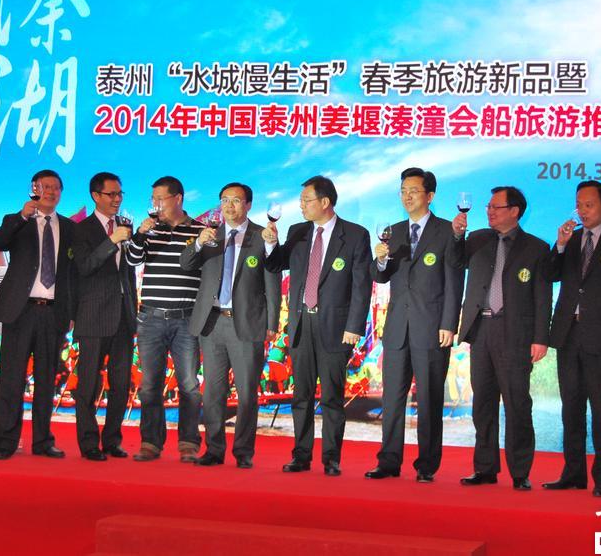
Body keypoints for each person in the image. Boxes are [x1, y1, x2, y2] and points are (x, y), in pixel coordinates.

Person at [263, 175, 371, 476]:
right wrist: (270, 244)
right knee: (302, 395)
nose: (301, 205)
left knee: (332, 397)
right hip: (301, 324)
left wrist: (354, 326)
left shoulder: (355, 235)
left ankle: (331, 459)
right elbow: (276, 264)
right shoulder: (298, 232)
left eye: (306, 200)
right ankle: (301, 455)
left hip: (336, 327)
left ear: (325, 202)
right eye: (301, 201)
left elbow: (362, 286)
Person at [540, 181, 601, 497]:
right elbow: (550, 275)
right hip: (568, 333)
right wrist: (559, 245)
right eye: (579, 205)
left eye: (589, 205)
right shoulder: (570, 239)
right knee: (571, 408)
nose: (583, 211)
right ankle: (573, 473)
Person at [365, 168, 463, 483]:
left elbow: (454, 281)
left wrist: (449, 323)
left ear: (430, 196)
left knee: (430, 399)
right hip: (397, 329)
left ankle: (426, 466)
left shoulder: (446, 231)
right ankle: (388, 462)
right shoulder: (392, 232)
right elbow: (379, 276)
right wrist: (380, 260)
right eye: (403, 191)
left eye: (414, 191)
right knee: (392, 399)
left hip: (432, 328)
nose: (407, 196)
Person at [452, 186, 551, 491]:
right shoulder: (477, 239)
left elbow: (542, 297)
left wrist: (540, 338)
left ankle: (520, 471)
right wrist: (457, 236)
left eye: (496, 207)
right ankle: (485, 468)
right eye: (488, 206)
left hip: (515, 333)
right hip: (481, 328)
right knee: (482, 403)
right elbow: (454, 261)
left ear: (514, 211)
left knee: (517, 403)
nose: (489, 211)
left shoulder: (536, 248)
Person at [179, 182, 281, 468]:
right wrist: (198, 243)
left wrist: (272, 322)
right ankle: (214, 449)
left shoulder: (262, 236)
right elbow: (186, 264)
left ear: (248, 205)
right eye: (224, 200)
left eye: (236, 200)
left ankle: (243, 452)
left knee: (247, 393)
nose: (229, 206)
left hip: (246, 324)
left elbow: (272, 280)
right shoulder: (211, 235)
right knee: (213, 392)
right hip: (212, 324)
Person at [0, 170, 76, 460]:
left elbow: (73, 274)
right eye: (44, 187)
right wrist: (21, 216)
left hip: (53, 313)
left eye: (55, 187)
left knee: (47, 380)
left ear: (61, 192)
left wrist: (71, 311)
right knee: (12, 379)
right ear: (34, 189)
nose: (50, 192)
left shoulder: (69, 227)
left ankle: (42, 441)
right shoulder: (17, 222)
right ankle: (4, 442)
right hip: (20, 311)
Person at [126, 176, 205, 463]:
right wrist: (139, 235)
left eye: (161, 198)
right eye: (153, 199)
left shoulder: (201, 230)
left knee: (189, 385)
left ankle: (188, 443)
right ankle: (150, 442)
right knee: (150, 385)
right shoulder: (150, 230)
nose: (156, 204)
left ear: (178, 198)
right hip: (151, 318)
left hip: (186, 319)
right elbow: (132, 260)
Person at [72, 172, 136, 461]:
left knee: (120, 383)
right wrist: (111, 240)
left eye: (120, 194)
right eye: (111, 194)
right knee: (88, 383)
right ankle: (88, 442)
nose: (117, 199)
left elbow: (129, 271)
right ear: (96, 196)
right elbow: (85, 266)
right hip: (93, 314)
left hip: (123, 315)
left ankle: (112, 440)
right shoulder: (81, 229)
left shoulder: (125, 225)